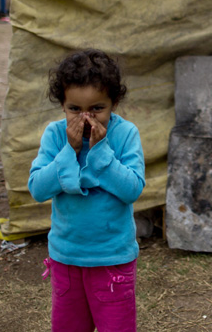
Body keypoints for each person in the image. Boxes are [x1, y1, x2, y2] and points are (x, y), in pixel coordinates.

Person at [28, 49, 145, 332]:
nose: (86, 118)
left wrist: (101, 151)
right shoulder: (55, 136)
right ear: (62, 105)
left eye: (96, 108)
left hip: (113, 258)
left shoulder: (125, 134)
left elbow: (131, 189)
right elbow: (38, 189)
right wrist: (70, 150)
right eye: (74, 109)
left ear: (114, 102)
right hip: (66, 258)